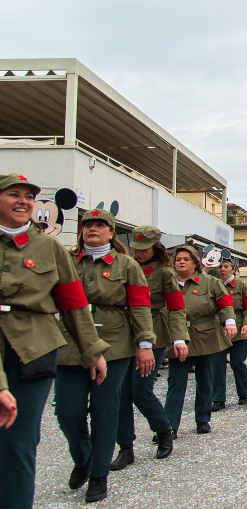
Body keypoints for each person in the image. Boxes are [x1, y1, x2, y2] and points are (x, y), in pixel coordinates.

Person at [0, 174, 108, 509]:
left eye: (29, 196)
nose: (23, 201)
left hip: (33, 348)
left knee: (17, 441)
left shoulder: (47, 246)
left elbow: (73, 302)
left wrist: (92, 350)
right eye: (13, 194)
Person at [56, 208, 155, 503]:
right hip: (70, 343)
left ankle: (99, 473)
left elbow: (139, 306)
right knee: (67, 411)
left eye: (100, 225)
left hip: (114, 343)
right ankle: (83, 456)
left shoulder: (126, 265)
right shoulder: (67, 260)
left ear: (112, 233)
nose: (93, 229)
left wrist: (145, 343)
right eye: (88, 224)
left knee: (104, 409)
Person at [111, 225, 189, 472]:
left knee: (140, 390)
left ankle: (164, 430)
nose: (139, 252)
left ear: (156, 248)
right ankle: (125, 446)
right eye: (136, 247)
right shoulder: (124, 265)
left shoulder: (166, 273)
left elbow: (176, 308)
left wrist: (179, 338)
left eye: (144, 249)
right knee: (121, 393)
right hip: (125, 332)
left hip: (154, 332)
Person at [163, 245, 236, 436]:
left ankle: (203, 419)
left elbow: (225, 304)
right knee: (176, 383)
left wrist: (229, 322)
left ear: (195, 262)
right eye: (178, 259)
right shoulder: (168, 282)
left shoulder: (210, 282)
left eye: (186, 259)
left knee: (205, 380)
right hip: (177, 337)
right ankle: (170, 425)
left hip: (206, 335)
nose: (181, 262)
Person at [211, 256, 247, 411]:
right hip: (218, 330)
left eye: (226, 267)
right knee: (217, 365)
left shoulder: (243, 285)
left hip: (238, 329)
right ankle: (218, 398)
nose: (222, 269)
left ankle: (243, 393)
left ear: (234, 270)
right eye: (220, 267)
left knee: (237, 363)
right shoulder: (214, 285)